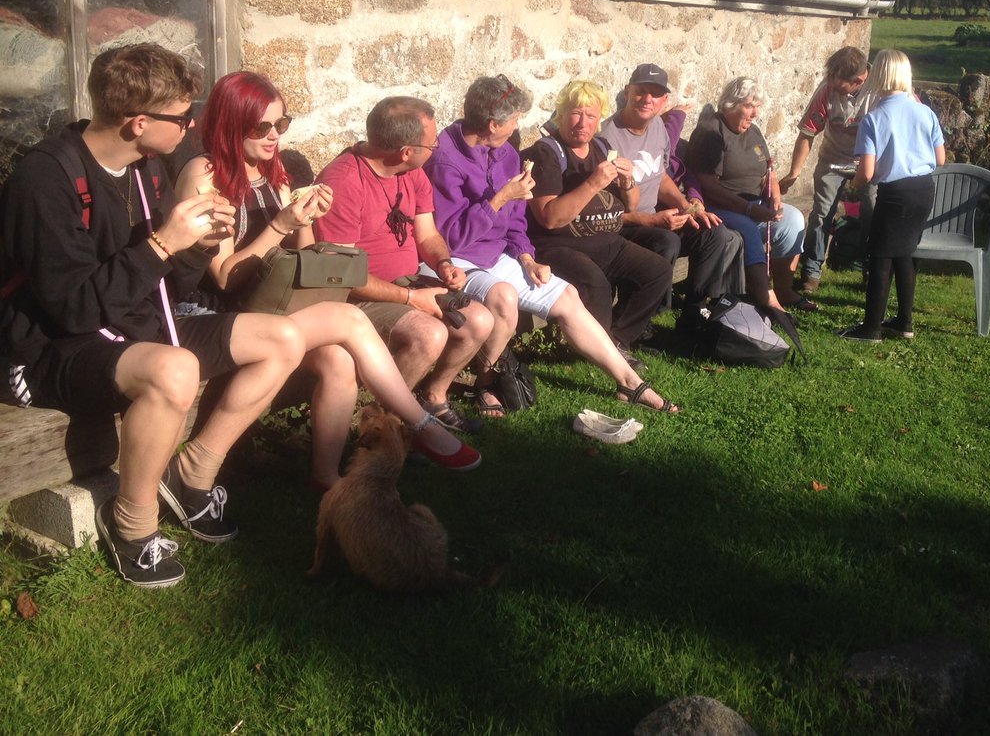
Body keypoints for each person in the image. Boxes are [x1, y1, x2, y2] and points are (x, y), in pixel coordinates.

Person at [0, 43, 307, 588]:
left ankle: (193, 474)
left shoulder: (146, 170)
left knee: (282, 339)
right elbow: (73, 308)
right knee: (175, 369)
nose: (192, 128)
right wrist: (164, 243)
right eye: (182, 118)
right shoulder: (45, 179)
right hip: (48, 351)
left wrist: (197, 246)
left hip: (134, 325)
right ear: (138, 122)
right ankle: (132, 524)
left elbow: (168, 286)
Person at [176, 72, 482, 483]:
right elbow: (225, 278)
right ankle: (418, 423)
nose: (274, 135)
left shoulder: (272, 173)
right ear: (231, 123)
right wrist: (281, 225)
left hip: (270, 303)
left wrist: (306, 221)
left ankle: (326, 479)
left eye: (281, 124)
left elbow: (303, 259)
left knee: (338, 360)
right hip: (219, 314)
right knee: (350, 319)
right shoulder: (205, 174)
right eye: (261, 127)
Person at [427, 74, 679, 414]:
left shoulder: (505, 153)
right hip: (458, 260)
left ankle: (629, 383)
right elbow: (452, 238)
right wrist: (498, 200)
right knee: (504, 297)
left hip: (499, 255)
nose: (518, 127)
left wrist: (526, 257)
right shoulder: (446, 160)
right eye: (515, 120)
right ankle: (484, 382)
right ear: (493, 124)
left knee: (567, 296)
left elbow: (516, 221)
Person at [312, 96, 496, 436]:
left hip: (408, 282)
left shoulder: (411, 173)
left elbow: (427, 234)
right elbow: (340, 274)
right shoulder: (343, 182)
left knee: (479, 321)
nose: (437, 149)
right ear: (406, 151)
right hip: (357, 298)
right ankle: (380, 428)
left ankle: (433, 398)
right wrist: (411, 300)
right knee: (429, 335)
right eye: (432, 144)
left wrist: (443, 263)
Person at [522, 80, 672, 368]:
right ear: (561, 115)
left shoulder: (602, 147)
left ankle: (616, 341)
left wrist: (628, 181)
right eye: (575, 114)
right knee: (596, 284)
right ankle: (604, 354)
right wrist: (593, 183)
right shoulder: (547, 153)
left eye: (590, 115)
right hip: (558, 246)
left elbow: (631, 204)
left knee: (658, 272)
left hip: (607, 240)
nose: (583, 123)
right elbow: (549, 219)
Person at [598, 63, 744, 331]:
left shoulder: (657, 127)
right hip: (623, 225)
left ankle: (694, 313)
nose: (647, 99)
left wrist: (689, 208)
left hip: (656, 217)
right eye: (641, 91)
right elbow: (604, 212)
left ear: (664, 100)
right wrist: (651, 221)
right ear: (628, 91)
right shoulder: (607, 139)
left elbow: (661, 177)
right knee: (666, 241)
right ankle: (639, 322)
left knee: (713, 231)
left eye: (655, 94)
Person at [838, 50, 945, 343]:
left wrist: (852, 186)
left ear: (877, 75)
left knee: (880, 256)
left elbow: (867, 171)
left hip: (895, 193)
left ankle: (871, 328)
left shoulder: (873, 119)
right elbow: (940, 158)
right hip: (923, 189)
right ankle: (904, 322)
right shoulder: (925, 112)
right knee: (905, 253)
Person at [686, 77, 810, 312]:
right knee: (748, 227)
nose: (755, 114)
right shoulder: (711, 131)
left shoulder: (753, 131)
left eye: (757, 106)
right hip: (721, 207)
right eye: (749, 106)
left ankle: (784, 289)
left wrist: (775, 198)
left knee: (793, 219)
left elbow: (769, 171)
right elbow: (708, 185)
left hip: (755, 204)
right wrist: (749, 209)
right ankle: (766, 297)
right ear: (731, 104)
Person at [779, 47, 878, 295]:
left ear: (859, 80)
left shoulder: (879, 90)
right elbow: (807, 133)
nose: (833, 87)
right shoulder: (827, 89)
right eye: (831, 80)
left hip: (869, 161)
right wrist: (794, 172)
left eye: (840, 85)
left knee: (873, 210)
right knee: (821, 213)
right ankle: (811, 272)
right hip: (833, 159)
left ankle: (871, 271)